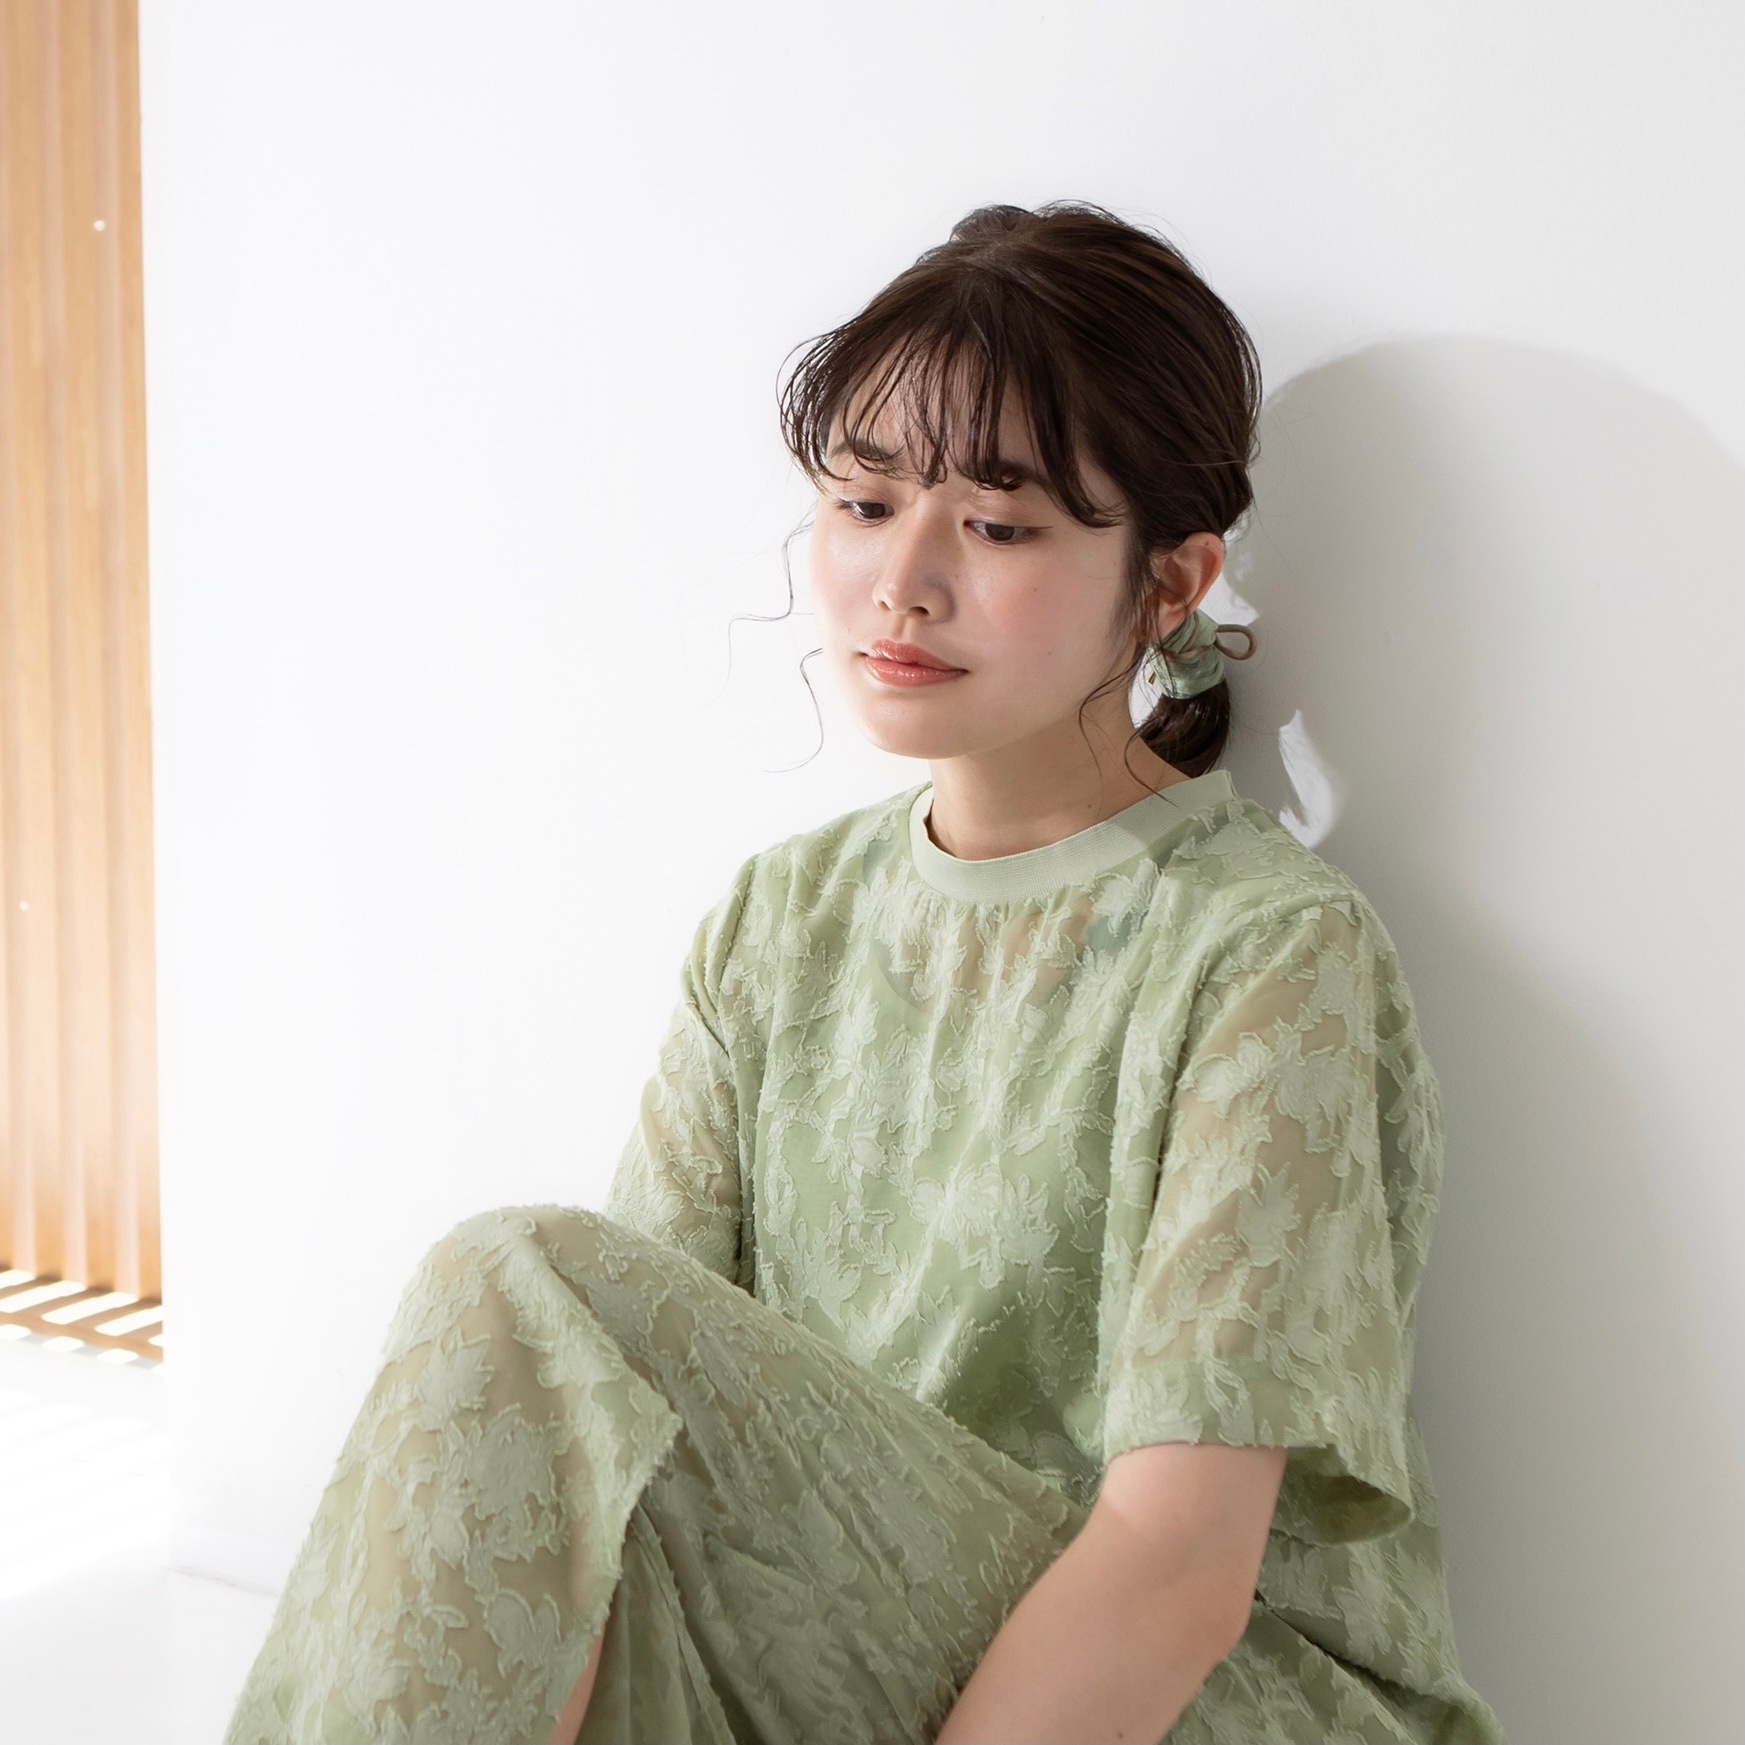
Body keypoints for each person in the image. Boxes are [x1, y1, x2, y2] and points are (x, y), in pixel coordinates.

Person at [224, 200, 1506, 1745]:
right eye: (861, 500)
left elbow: (1175, 1572)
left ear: (1170, 585)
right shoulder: (782, 920)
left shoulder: (1263, 950)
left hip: (1201, 1704)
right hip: (850, 1676)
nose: (901, 580)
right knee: (531, 1338)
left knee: (516, 1278)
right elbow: (609, 1456)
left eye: (998, 525)